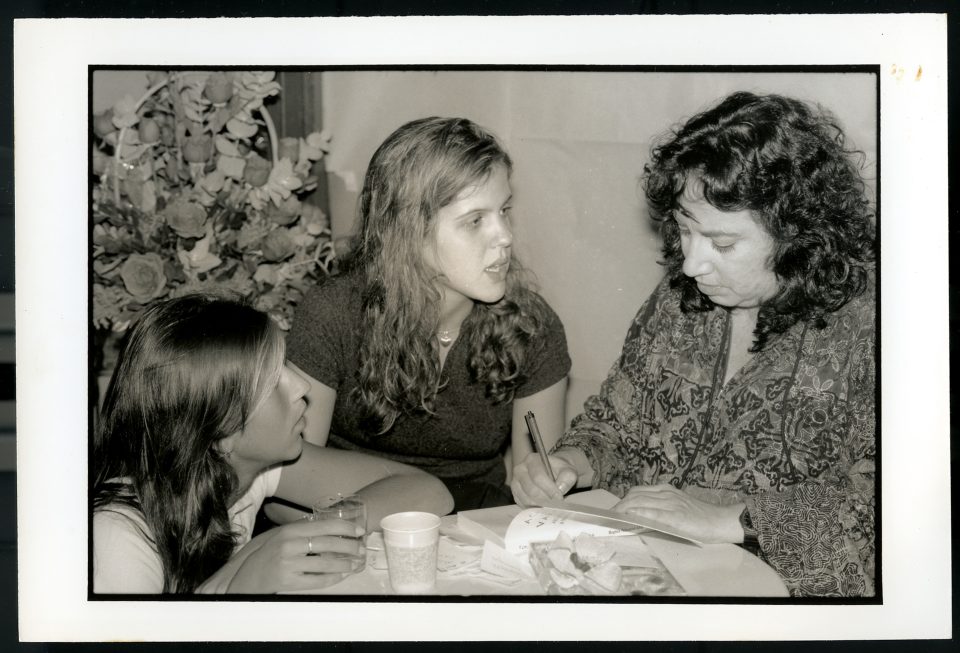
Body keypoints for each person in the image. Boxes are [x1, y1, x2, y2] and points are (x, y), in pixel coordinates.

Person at [511, 91, 876, 597]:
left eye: (722, 244)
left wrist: (732, 519)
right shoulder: (680, 301)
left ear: (798, 235)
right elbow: (616, 423)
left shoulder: (874, 328)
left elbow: (889, 503)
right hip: (648, 570)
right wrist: (571, 461)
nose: (691, 264)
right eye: (685, 230)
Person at [282, 117, 571, 512]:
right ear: (408, 229)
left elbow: (537, 505)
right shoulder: (333, 313)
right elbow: (289, 482)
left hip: (473, 521)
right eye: (475, 220)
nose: (505, 236)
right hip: (350, 513)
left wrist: (541, 485)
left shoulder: (532, 328)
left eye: (504, 211)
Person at [93, 293, 453, 594]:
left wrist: (281, 540)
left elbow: (428, 492)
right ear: (219, 430)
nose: (302, 387)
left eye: (286, 365)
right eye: (271, 381)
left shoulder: (247, 470)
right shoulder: (118, 538)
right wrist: (238, 583)